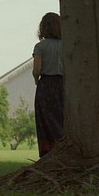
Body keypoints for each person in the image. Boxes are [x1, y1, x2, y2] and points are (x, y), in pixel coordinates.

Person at [32, 12, 64, 157]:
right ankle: (63, 149)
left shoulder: (40, 47)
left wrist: (36, 79)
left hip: (46, 85)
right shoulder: (66, 45)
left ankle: (47, 153)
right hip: (63, 85)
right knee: (62, 119)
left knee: (45, 121)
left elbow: (36, 70)